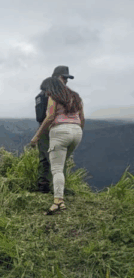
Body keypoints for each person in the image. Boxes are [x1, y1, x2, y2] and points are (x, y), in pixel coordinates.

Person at [29, 73, 84, 215]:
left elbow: (50, 117)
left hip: (60, 131)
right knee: (62, 162)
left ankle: (58, 201)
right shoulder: (76, 96)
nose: (46, 93)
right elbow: (82, 118)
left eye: (46, 90)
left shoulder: (54, 97)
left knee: (57, 169)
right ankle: (60, 196)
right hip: (77, 132)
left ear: (51, 88)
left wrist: (36, 136)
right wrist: (77, 130)